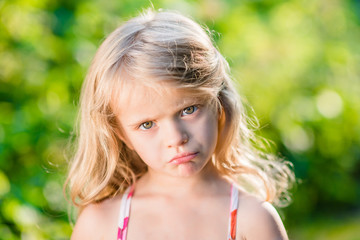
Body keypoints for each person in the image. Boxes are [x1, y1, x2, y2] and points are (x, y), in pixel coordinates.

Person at [65, 9, 294, 240]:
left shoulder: (252, 219)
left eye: (188, 110)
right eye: (147, 124)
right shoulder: (101, 222)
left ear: (218, 105)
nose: (176, 138)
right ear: (122, 135)